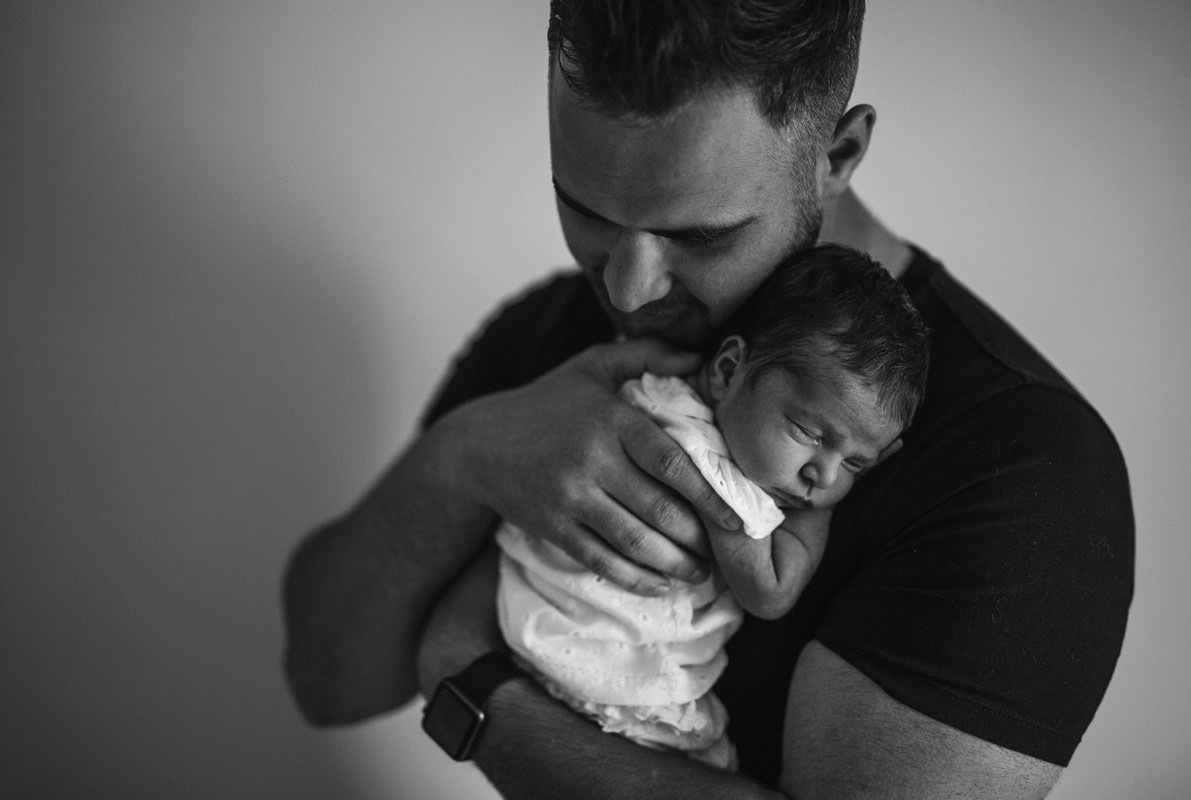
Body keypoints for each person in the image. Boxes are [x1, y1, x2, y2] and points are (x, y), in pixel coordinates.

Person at [282, 2, 1134, 798]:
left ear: (834, 157)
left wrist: (471, 682)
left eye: (699, 236)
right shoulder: (545, 332)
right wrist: (467, 456)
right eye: (583, 210)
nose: (628, 287)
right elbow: (325, 679)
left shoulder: (1022, 467)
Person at [496, 246, 930, 771]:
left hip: (528, 622)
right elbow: (770, 591)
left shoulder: (656, 394)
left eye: (857, 465)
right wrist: (823, 510)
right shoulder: (713, 471)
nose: (825, 476)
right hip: (609, 673)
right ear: (727, 370)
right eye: (808, 433)